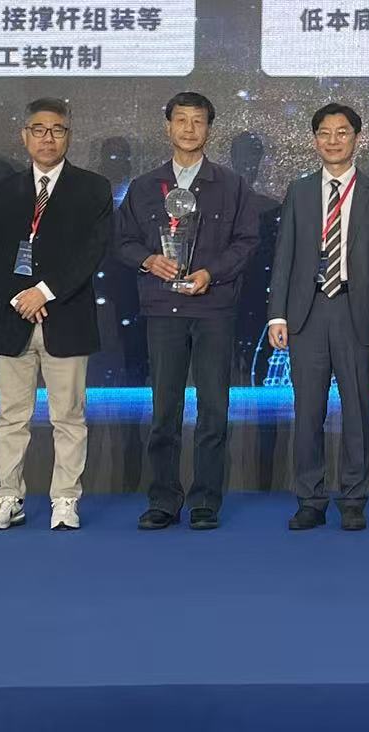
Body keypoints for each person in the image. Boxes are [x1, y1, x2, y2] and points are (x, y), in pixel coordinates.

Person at [115, 92, 261, 531]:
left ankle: (205, 501)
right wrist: (148, 260)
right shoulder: (145, 186)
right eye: (181, 120)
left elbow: (247, 242)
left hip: (213, 307)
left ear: (209, 129)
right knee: (164, 410)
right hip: (163, 308)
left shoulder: (232, 185)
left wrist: (211, 273)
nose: (189, 129)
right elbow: (122, 241)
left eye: (198, 121)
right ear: (168, 127)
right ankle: (163, 499)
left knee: (213, 410)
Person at [0, 99, 113, 532]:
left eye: (57, 130)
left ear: (68, 136)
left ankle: (65, 499)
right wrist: (21, 297)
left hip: (66, 317)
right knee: (11, 417)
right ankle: (8, 497)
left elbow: (91, 251)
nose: (47, 138)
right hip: (13, 317)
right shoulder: (4, 190)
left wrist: (44, 292)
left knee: (68, 417)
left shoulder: (92, 188)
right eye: (39, 129)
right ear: (25, 136)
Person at [268, 103, 369, 531]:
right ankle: (310, 498)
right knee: (308, 412)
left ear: (356, 138)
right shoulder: (300, 191)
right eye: (324, 133)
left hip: (355, 312)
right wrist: (277, 316)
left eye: (342, 132)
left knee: (357, 410)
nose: (333, 140)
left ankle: (353, 498)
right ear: (314, 140)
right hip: (306, 314)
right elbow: (284, 256)